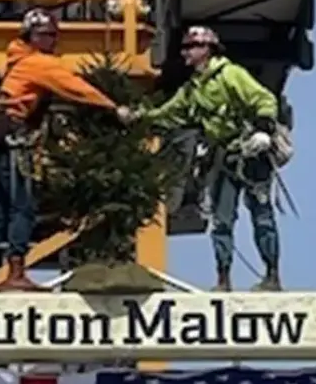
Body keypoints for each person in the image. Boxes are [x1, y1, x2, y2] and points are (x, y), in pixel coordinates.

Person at [118, 26, 283, 291]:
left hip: (251, 154)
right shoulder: (193, 89)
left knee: (261, 215)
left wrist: (263, 129)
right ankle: (223, 280)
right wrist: (139, 116)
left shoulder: (231, 75)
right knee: (221, 219)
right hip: (224, 157)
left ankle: (272, 276)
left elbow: (263, 99)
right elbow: (168, 113)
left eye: (190, 47)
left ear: (207, 49)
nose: (185, 53)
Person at [0, 8, 119, 292]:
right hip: (13, 136)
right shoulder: (38, 63)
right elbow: (74, 87)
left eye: (53, 35)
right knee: (22, 206)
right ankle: (15, 271)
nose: (53, 41)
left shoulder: (13, 62)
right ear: (32, 37)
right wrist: (112, 107)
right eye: (47, 35)